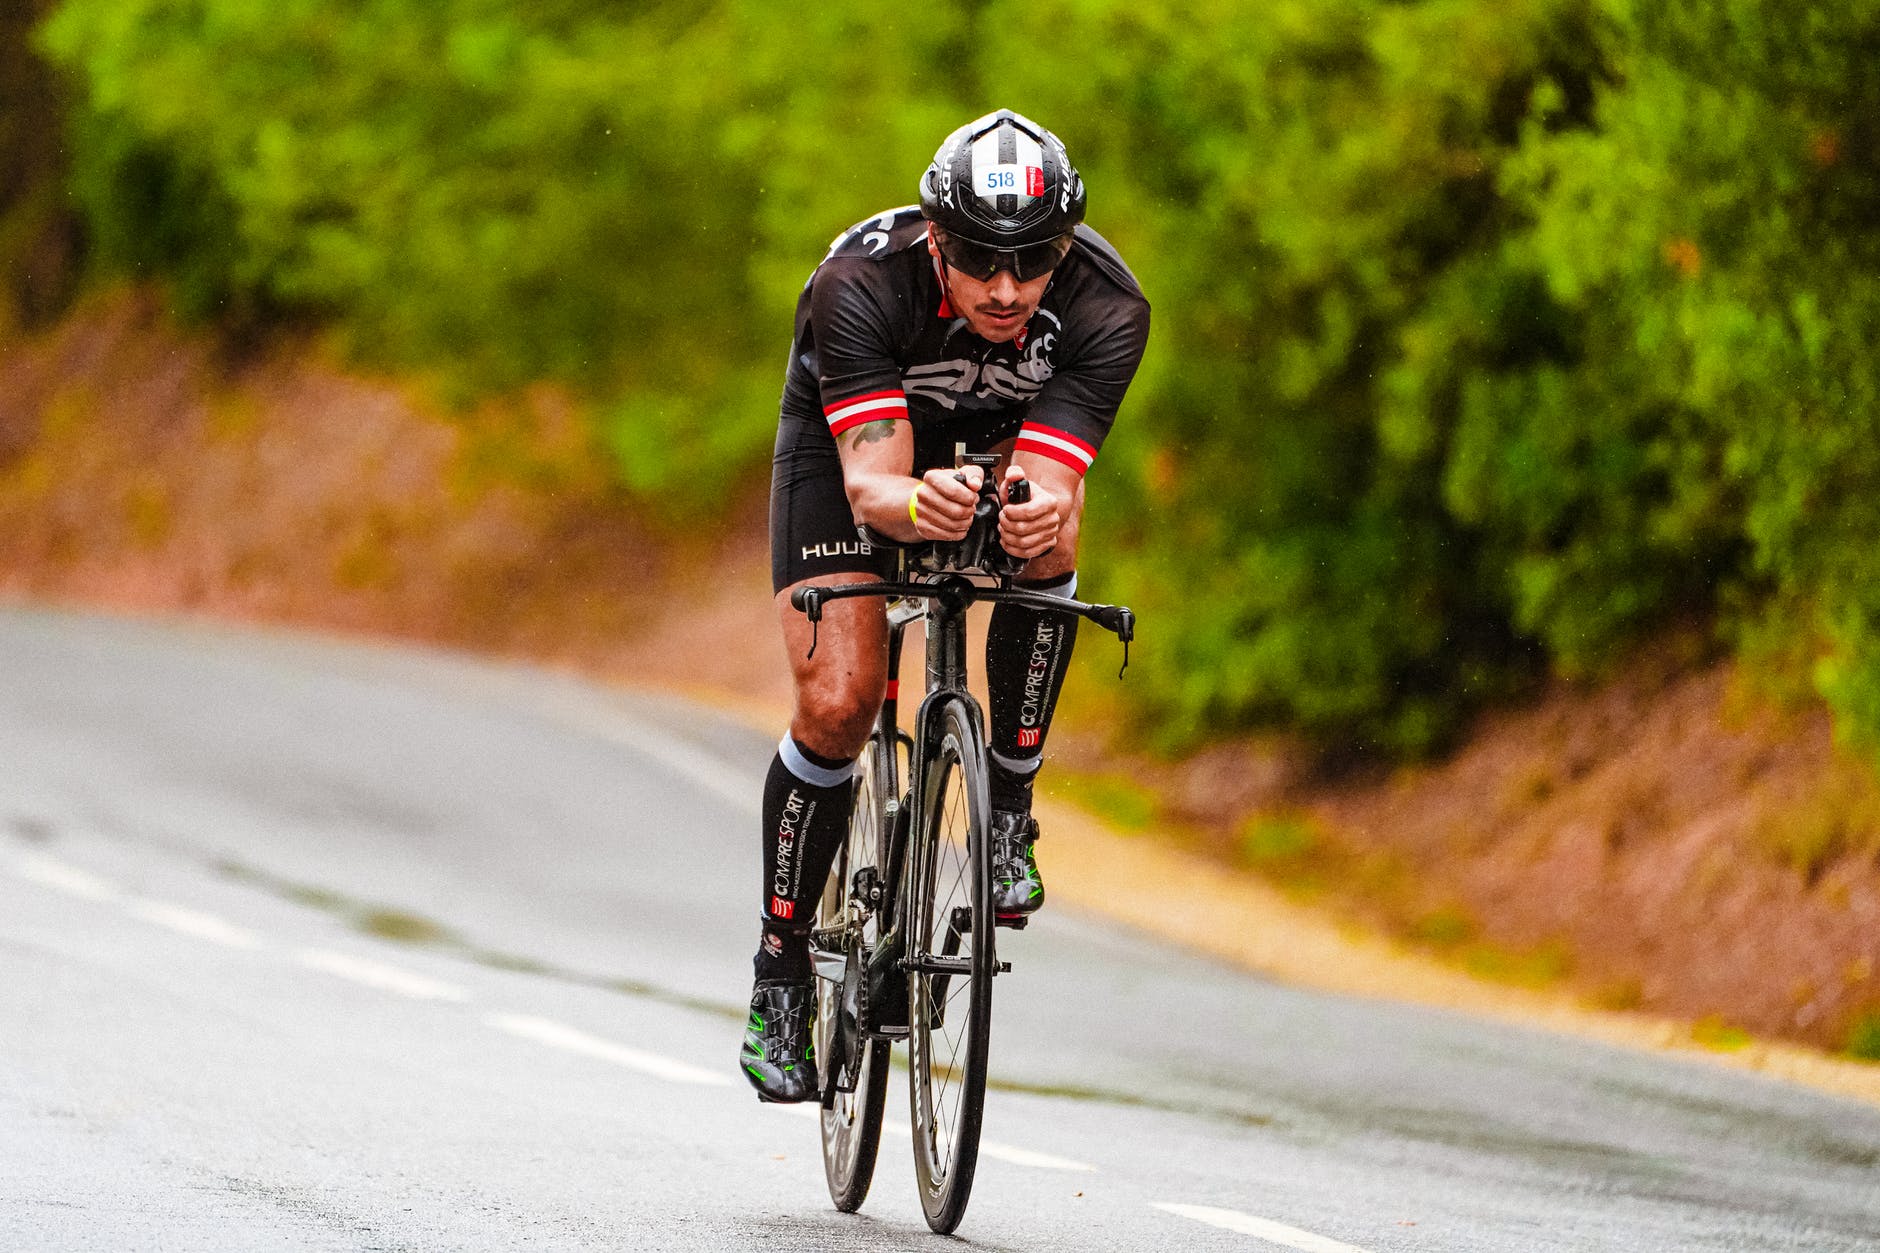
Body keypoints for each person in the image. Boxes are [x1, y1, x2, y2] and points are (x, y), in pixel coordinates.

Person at [740, 108, 1151, 1102]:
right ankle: (781, 971)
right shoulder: (860, 285)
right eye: (978, 258)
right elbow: (874, 483)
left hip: (991, 438)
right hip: (853, 457)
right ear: (936, 238)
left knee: (1049, 529)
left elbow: (1054, 472)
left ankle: (1004, 805)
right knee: (838, 701)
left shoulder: (1105, 304)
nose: (1006, 287)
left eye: (1033, 258)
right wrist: (917, 503)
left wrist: (1027, 512)